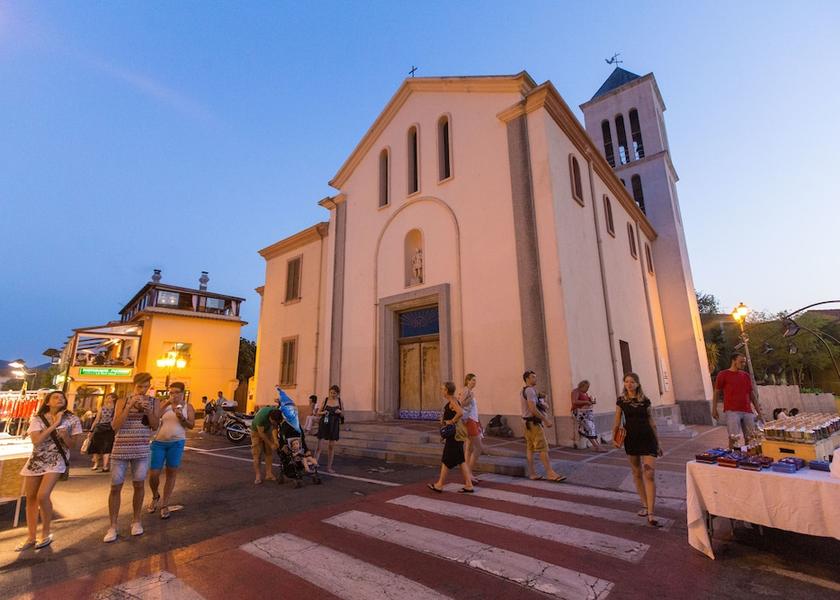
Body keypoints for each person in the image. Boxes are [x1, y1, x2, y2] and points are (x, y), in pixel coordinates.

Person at [15, 391, 82, 551]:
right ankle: (31, 537)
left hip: (56, 460)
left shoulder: (72, 419)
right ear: (47, 402)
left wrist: (65, 435)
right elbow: (36, 441)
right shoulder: (38, 418)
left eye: (62, 397)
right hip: (37, 460)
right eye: (55, 397)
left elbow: (73, 446)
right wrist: (54, 424)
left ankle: (45, 533)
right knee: (30, 497)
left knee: (42, 495)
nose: (60, 399)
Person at [104, 372, 160, 543]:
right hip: (120, 449)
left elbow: (155, 425)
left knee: (139, 485)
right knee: (115, 487)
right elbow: (114, 426)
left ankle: (136, 521)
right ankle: (113, 525)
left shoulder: (154, 401)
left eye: (146, 387)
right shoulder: (122, 401)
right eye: (139, 387)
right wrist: (129, 407)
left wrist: (149, 411)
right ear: (133, 386)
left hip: (142, 449)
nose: (143, 390)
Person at [613, 372, 663, 527]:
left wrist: (658, 442)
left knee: (649, 473)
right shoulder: (621, 401)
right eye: (626, 381)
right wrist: (615, 438)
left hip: (647, 438)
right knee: (636, 472)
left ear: (637, 384)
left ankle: (651, 513)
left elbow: (652, 421)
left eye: (632, 381)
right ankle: (644, 504)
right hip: (631, 439)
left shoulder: (645, 401)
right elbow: (616, 421)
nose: (629, 384)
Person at [147, 382, 195, 519]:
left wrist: (182, 418)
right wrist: (166, 403)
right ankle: (155, 495)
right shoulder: (164, 405)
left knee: (171, 473)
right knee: (154, 473)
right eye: (171, 392)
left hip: (177, 442)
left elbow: (191, 425)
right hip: (159, 442)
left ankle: (165, 503)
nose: (174, 395)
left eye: (176, 392)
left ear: (183, 393)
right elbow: (155, 418)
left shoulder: (188, 407)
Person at [428, 381, 474, 493]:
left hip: (454, 437)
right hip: (454, 436)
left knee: (446, 460)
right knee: (460, 460)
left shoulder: (453, 401)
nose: (441, 391)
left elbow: (460, 412)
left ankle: (439, 484)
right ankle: (469, 485)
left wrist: (451, 421)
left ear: (447, 391)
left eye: (442, 389)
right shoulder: (451, 401)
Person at [521, 370, 566, 482]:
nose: (535, 379)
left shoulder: (524, 391)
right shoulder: (530, 391)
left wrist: (541, 402)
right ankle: (550, 473)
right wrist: (545, 420)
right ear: (527, 378)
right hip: (534, 423)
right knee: (543, 448)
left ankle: (532, 473)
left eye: (535, 377)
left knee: (530, 448)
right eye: (533, 377)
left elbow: (533, 406)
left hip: (527, 423)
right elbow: (532, 408)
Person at [712, 352, 761, 444]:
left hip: (747, 411)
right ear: (734, 361)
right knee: (733, 439)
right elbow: (716, 392)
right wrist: (714, 409)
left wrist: (759, 411)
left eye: (744, 362)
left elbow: (751, 394)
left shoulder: (746, 376)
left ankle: (749, 457)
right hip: (732, 411)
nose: (743, 364)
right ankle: (733, 457)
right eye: (741, 362)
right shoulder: (723, 374)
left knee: (751, 439)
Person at [251, 395, 279, 484]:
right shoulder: (261, 417)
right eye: (273, 422)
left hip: (267, 430)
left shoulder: (276, 414)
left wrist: (276, 441)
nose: (274, 423)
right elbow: (261, 434)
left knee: (269, 452)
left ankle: (269, 474)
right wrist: (271, 444)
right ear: (270, 418)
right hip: (256, 432)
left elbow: (275, 428)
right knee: (257, 454)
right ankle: (258, 475)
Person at [571, 380, 606, 452]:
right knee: (589, 428)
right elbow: (574, 402)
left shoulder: (585, 393)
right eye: (587, 387)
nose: (587, 389)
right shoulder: (576, 391)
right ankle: (597, 446)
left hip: (587, 413)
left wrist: (591, 401)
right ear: (582, 386)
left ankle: (597, 446)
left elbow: (586, 402)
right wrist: (586, 402)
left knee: (591, 428)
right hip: (580, 413)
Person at [315, 385, 343, 473]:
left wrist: (340, 412)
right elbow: (318, 412)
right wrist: (324, 412)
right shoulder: (326, 400)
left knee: (331, 446)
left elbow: (343, 415)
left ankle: (329, 467)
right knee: (319, 446)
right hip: (325, 422)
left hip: (334, 424)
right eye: (331, 392)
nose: (332, 394)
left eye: (334, 393)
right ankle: (314, 464)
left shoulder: (339, 401)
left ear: (338, 393)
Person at [460, 373, 482, 485]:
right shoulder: (466, 391)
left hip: (473, 420)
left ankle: (467, 474)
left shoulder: (470, 392)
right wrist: (470, 398)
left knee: (469, 448)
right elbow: (461, 404)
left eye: (475, 380)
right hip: (469, 421)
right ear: (467, 381)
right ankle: (469, 472)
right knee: (479, 447)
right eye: (473, 380)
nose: (474, 382)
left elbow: (473, 408)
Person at [87, 393, 116, 471]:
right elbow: (97, 419)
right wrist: (91, 430)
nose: (107, 399)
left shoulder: (116, 408)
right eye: (107, 398)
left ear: (114, 399)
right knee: (95, 446)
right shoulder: (102, 408)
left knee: (107, 447)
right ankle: (96, 464)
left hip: (109, 429)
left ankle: (105, 466)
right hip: (99, 428)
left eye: (110, 398)